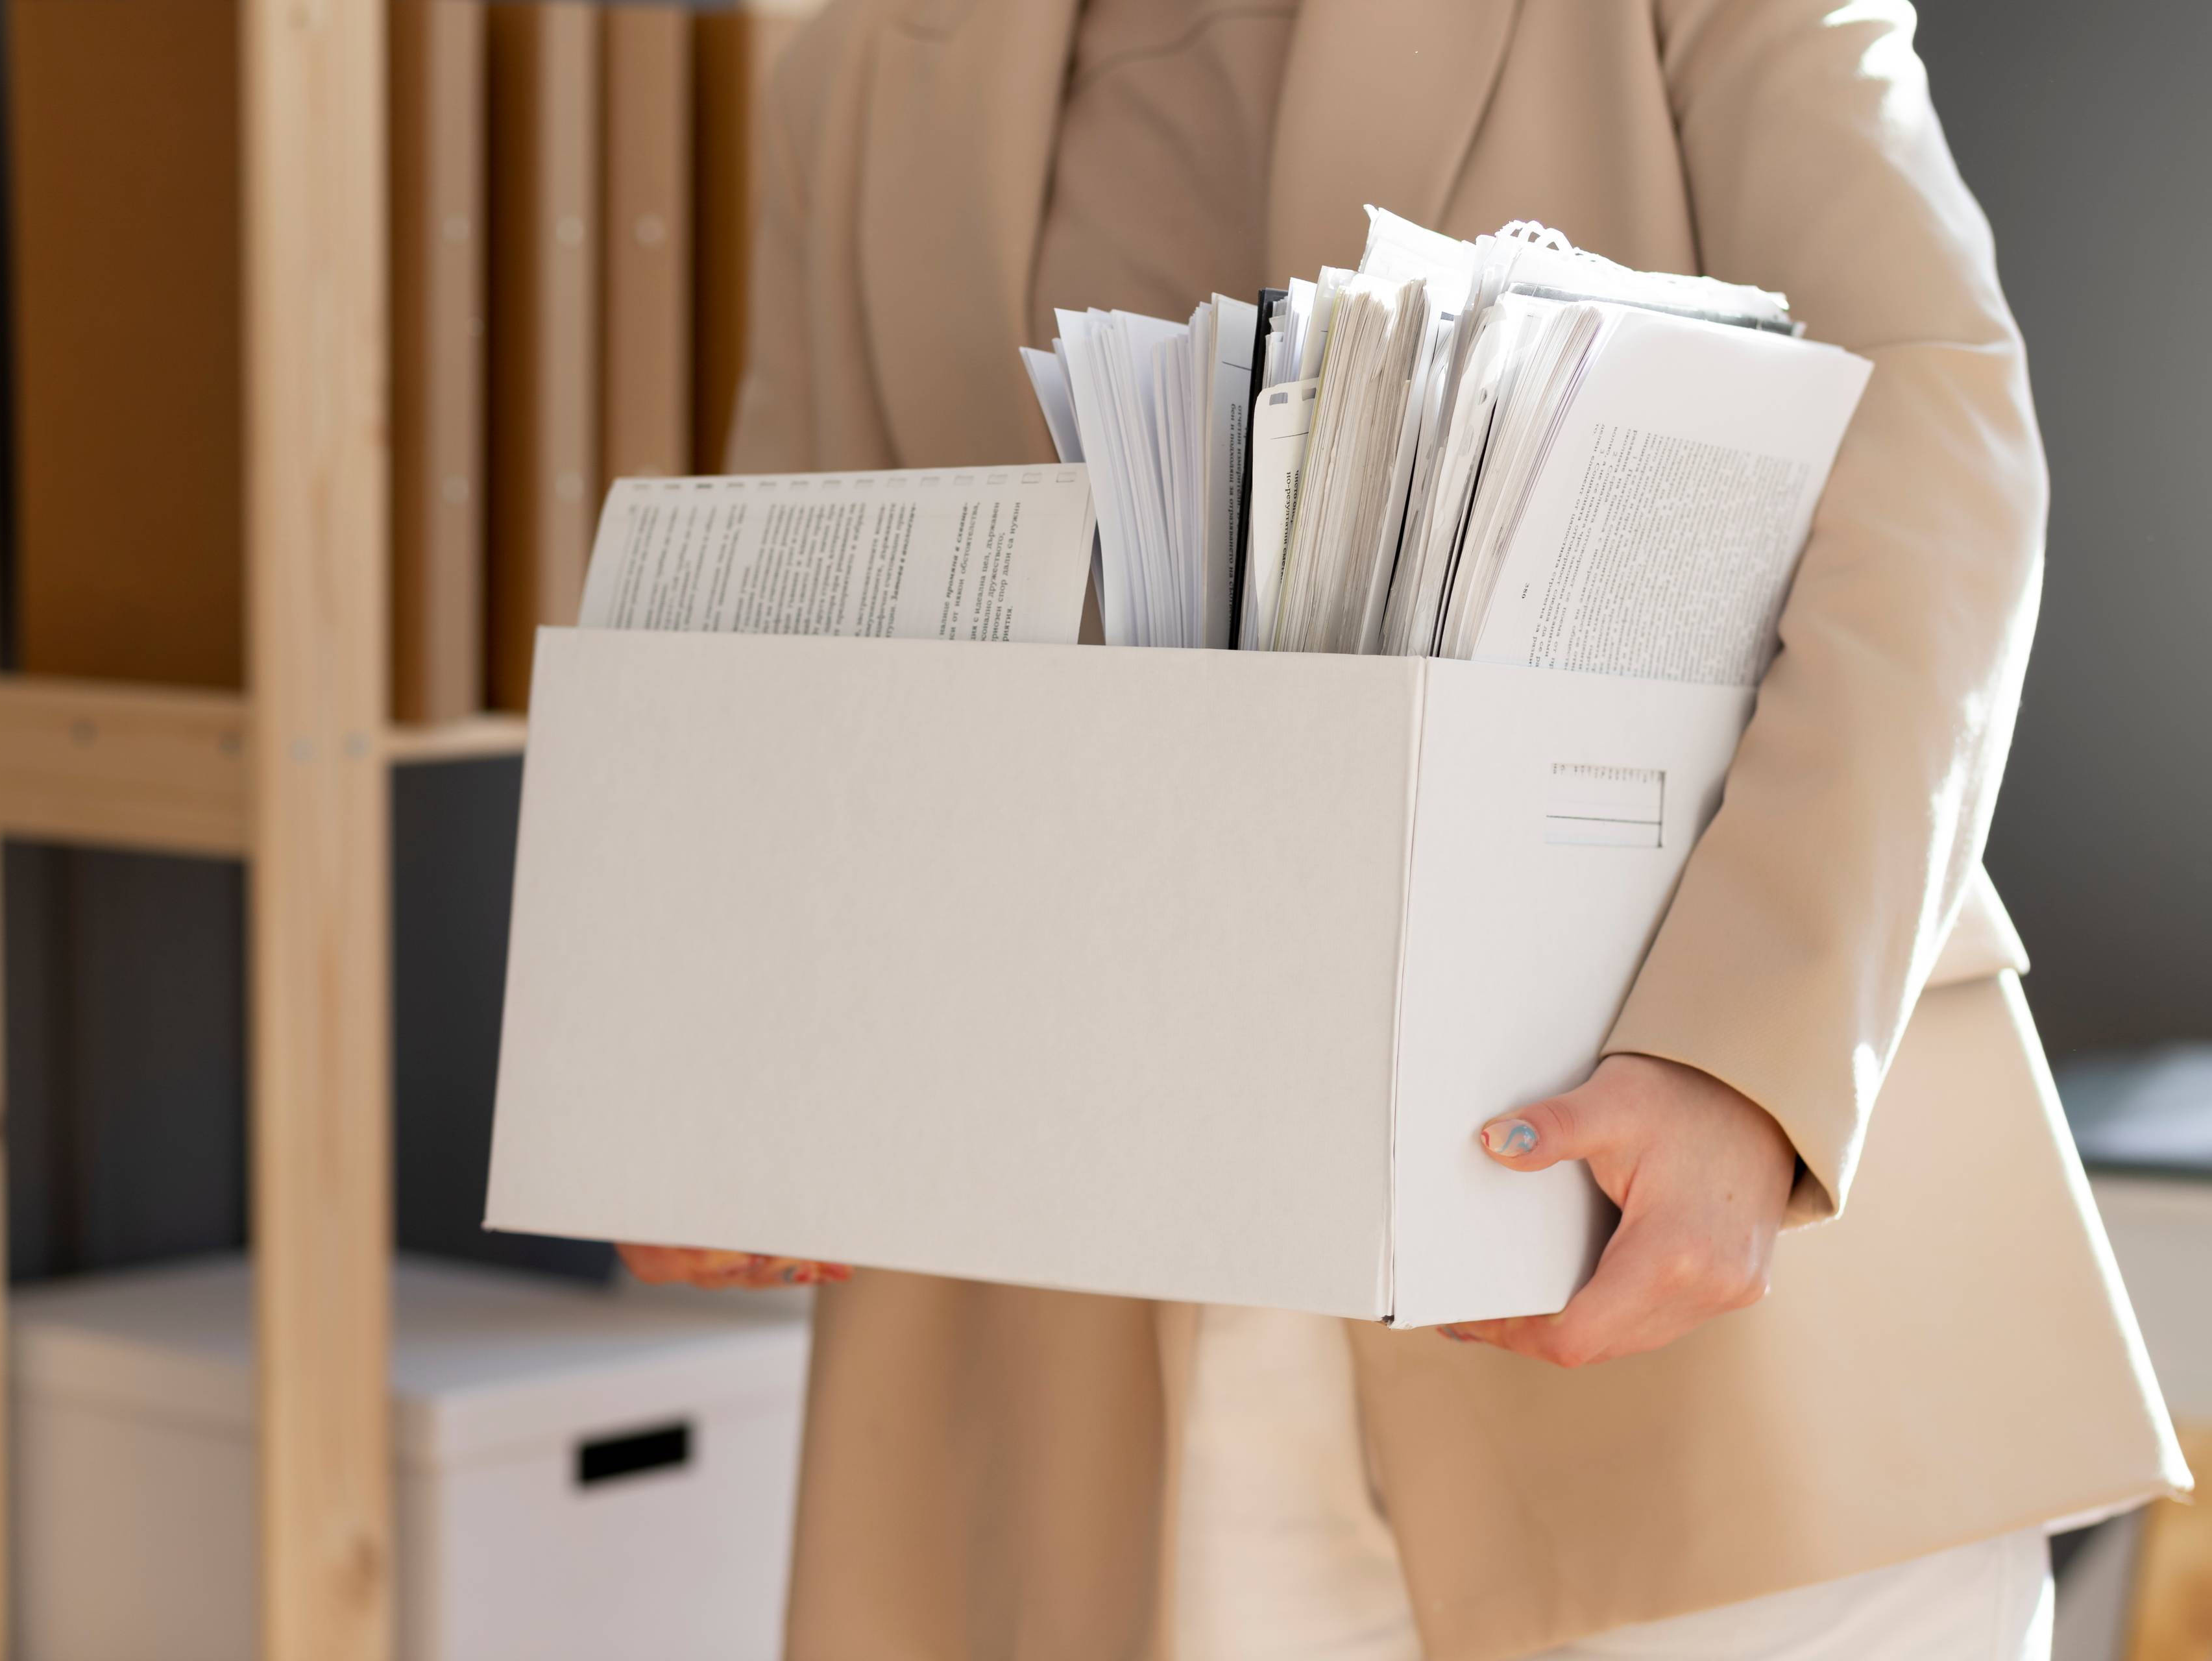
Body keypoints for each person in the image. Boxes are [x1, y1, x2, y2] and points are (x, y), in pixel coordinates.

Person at [624, 1, 2188, 1656]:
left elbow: (1935, 422)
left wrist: (1749, 1059)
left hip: (1662, 1232)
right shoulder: (860, 67)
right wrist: (724, 1066)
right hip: (1108, 1338)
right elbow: (788, 622)